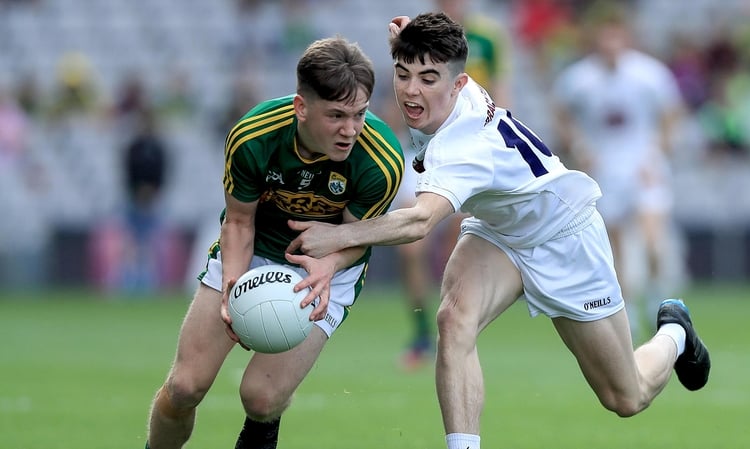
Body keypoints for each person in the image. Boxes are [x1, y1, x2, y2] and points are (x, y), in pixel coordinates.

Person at [287, 13, 710, 449]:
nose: (411, 91)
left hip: (565, 237)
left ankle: (674, 332)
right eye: (403, 74)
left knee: (626, 396)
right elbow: (427, 61)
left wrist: (335, 236)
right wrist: (407, 40)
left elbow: (418, 221)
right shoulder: (455, 88)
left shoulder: (463, 147)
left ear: (457, 84)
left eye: (428, 79)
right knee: (454, 320)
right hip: (501, 231)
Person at [144, 36, 404, 449]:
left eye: (359, 114)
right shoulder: (254, 137)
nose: (350, 130)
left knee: (262, 398)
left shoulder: (381, 159)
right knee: (184, 387)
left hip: (327, 265)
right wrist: (232, 284)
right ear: (301, 107)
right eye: (336, 115)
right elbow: (239, 221)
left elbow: (357, 236)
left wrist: (328, 266)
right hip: (252, 248)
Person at [550, 2, 686, 341]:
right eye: (604, 38)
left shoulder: (649, 74)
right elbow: (561, 115)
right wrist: (580, 148)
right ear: (596, 40)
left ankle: (658, 303)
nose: (610, 45)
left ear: (625, 38)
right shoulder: (579, 78)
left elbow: (671, 115)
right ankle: (626, 312)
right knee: (614, 250)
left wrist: (657, 153)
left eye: (616, 38)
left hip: (643, 168)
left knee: (654, 242)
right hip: (605, 173)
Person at [393, 0, 514, 370]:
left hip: (467, 155)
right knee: (410, 247)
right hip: (423, 152)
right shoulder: (420, 37)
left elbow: (501, 93)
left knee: (456, 245)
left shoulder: (487, 37)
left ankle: (457, 332)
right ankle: (420, 333)